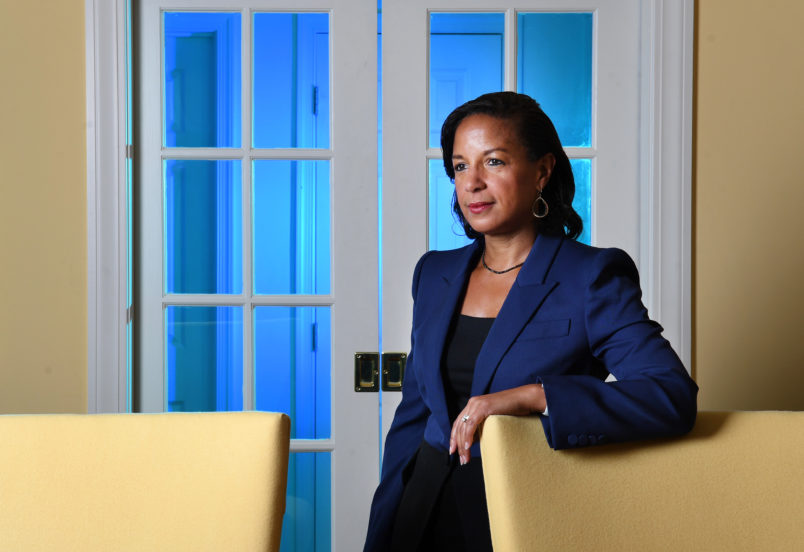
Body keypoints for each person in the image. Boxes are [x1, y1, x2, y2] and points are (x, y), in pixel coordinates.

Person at [363, 91, 698, 552]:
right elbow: (413, 417)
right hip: (419, 511)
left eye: (494, 162)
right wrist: (382, 526)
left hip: (522, 514)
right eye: (460, 166)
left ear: (542, 171)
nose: (472, 183)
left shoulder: (590, 276)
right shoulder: (434, 273)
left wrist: (531, 396)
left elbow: (671, 396)